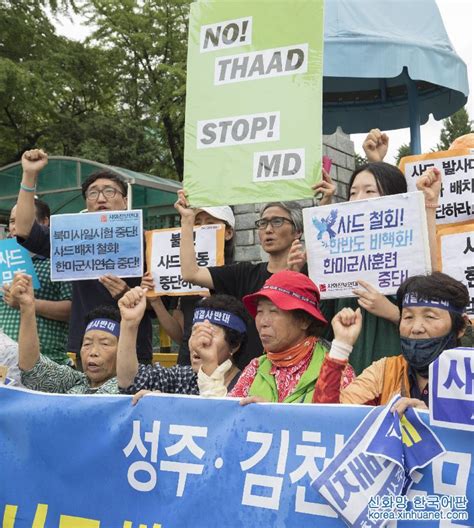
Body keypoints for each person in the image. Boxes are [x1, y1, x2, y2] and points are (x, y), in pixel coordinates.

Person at [289, 161, 441, 374]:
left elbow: (435, 306)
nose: (358, 198)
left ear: (394, 197)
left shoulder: (409, 253)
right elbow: (317, 324)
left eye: (370, 191)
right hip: (345, 375)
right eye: (353, 192)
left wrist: (392, 312)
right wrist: (299, 275)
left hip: (396, 374)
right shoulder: (339, 263)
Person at [13, 149, 153, 363]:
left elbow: (161, 306)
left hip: (132, 345)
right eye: (93, 193)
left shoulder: (147, 241)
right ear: (87, 202)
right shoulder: (72, 238)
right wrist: (29, 175)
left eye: (109, 191)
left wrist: (127, 293)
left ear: (125, 201)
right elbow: (24, 230)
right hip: (86, 345)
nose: (101, 198)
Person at [175, 190, 304, 369]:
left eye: (277, 221)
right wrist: (187, 221)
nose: (268, 229)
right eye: (263, 223)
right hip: (246, 381)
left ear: (297, 231)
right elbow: (191, 273)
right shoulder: (244, 273)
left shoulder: (308, 277)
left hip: (293, 375)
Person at [313, 272, 471, 415]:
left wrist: (430, 421)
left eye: (430, 317)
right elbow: (325, 418)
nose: (416, 328)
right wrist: (341, 346)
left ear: (461, 326)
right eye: (408, 317)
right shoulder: (385, 371)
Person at [196, 270, 354, 403]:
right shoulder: (256, 368)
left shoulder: (336, 370)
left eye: (273, 311)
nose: (263, 322)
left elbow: (341, 427)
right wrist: (210, 362)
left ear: (304, 320)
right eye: (259, 311)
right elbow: (225, 419)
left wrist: (273, 415)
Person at [144, 205, 236, 366]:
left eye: (209, 222)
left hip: (224, 369)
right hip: (188, 367)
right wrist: (155, 301)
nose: (201, 228)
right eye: (197, 222)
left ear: (228, 232)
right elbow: (181, 336)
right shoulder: (181, 277)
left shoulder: (238, 276)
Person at [116, 288, 249, 399]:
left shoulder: (249, 385)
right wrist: (129, 325)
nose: (198, 343)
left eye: (208, 334)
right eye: (195, 332)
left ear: (234, 345)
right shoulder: (186, 378)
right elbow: (131, 382)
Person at [12, 272, 119, 394]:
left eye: (105, 344)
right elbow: (32, 368)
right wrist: (27, 307)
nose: (93, 352)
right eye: (87, 344)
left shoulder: (132, 388)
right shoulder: (74, 381)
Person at [1, 199, 72, 364]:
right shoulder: (2, 259)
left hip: (45, 360)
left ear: (45, 222)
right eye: (12, 221)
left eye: (24, 219)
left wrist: (27, 304)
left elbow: (72, 310)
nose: (16, 225)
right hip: (4, 361)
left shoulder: (59, 259)